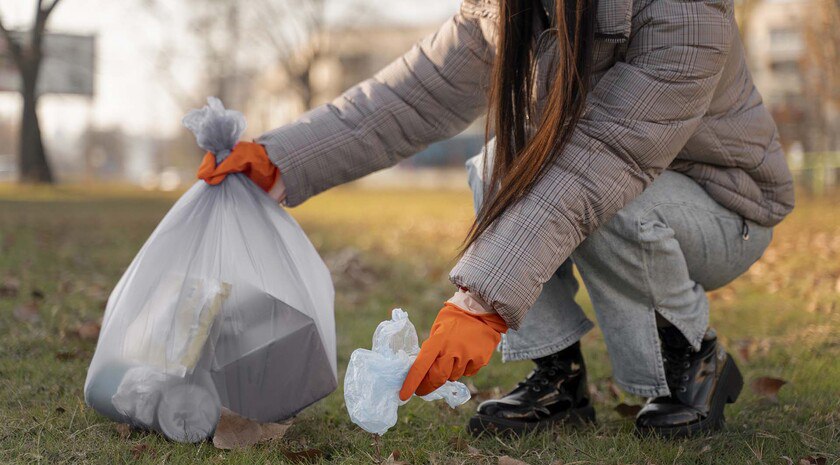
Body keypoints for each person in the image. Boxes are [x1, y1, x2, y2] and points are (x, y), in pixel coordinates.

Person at [199, 0, 794, 438]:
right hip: (616, 181)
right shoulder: (505, 8)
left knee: (619, 200)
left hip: (722, 205)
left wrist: (482, 302)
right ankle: (557, 378)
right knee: (496, 165)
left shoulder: (685, 13)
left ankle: (691, 356)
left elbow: (607, 159)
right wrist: (282, 159)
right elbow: (406, 100)